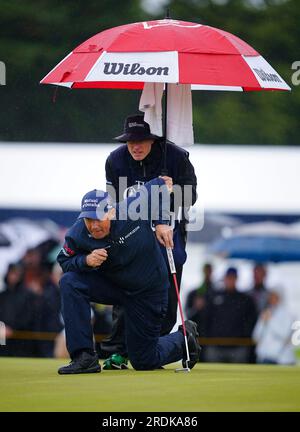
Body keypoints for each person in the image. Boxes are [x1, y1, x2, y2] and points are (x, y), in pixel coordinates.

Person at [56, 177, 201, 374]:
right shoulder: (77, 234)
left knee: (143, 360)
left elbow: (160, 186)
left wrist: (161, 222)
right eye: (89, 219)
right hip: (114, 286)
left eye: (99, 218)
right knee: (69, 282)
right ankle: (84, 357)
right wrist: (85, 261)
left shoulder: (130, 208)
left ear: (112, 211)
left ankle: (184, 339)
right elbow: (64, 260)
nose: (94, 225)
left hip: (147, 290)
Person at [101, 114, 197, 369]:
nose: (136, 146)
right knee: (126, 287)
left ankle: (161, 344)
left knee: (165, 291)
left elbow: (191, 197)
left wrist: (171, 191)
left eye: (142, 139)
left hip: (170, 233)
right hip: (133, 234)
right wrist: (149, 195)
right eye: (130, 141)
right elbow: (115, 205)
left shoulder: (175, 157)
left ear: (154, 139)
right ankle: (118, 350)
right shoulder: (115, 161)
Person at [203, 267, 257, 364]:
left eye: (233, 278)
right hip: (215, 346)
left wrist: (243, 336)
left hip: (238, 347)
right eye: (228, 278)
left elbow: (251, 320)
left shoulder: (245, 299)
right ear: (224, 278)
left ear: (236, 279)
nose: (230, 281)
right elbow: (206, 318)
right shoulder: (214, 296)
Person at [252, 290, 296, 365]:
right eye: (270, 296)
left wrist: (270, 321)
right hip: (264, 356)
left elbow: (284, 334)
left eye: (274, 296)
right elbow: (256, 336)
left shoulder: (288, 314)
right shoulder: (266, 312)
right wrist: (263, 322)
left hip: (280, 358)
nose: (271, 299)